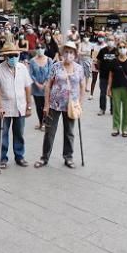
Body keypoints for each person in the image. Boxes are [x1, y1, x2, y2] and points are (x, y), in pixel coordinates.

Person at [36, 41, 83, 169]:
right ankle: (44, 157)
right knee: (49, 132)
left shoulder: (79, 68)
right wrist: (46, 104)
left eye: (71, 52)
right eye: (66, 52)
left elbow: (82, 86)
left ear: (75, 54)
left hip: (71, 106)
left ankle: (68, 157)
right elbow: (47, 86)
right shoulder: (55, 66)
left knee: (69, 132)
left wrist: (80, 103)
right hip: (54, 104)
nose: (68, 55)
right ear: (62, 53)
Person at [0, 43, 33, 169]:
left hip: (20, 106)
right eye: (10, 55)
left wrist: (29, 105)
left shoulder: (22, 68)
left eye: (15, 55)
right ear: (5, 56)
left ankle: (19, 156)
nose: (13, 57)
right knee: (3, 134)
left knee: (19, 133)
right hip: (5, 107)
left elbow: (27, 87)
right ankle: (3, 158)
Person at [28, 47, 52, 131]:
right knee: (38, 106)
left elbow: (51, 72)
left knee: (46, 105)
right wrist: (37, 83)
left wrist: (45, 83)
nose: (40, 49)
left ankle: (45, 123)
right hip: (36, 87)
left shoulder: (49, 60)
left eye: (42, 47)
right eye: (37, 47)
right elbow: (30, 74)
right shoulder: (32, 61)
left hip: (47, 87)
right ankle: (40, 122)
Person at [95, 36, 119, 116]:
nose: (110, 41)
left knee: (113, 93)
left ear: (114, 41)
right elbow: (98, 61)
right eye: (109, 40)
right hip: (103, 75)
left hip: (114, 76)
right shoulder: (102, 50)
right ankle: (102, 109)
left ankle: (113, 109)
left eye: (112, 40)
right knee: (103, 92)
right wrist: (100, 69)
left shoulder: (116, 51)